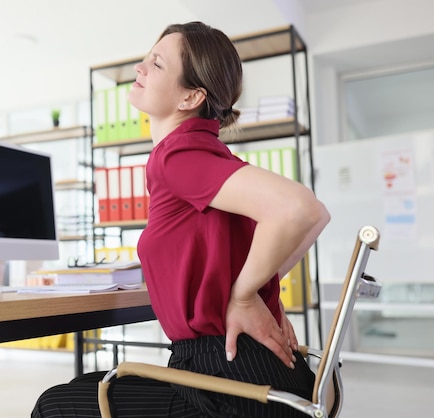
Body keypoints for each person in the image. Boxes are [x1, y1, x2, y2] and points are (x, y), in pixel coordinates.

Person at [32, 21, 330, 418]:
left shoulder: (179, 155)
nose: (139, 68)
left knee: (54, 405)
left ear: (191, 96)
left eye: (155, 64)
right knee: (81, 387)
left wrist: (243, 295)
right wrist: (253, 289)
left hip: (233, 389)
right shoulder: (205, 152)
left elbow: (303, 210)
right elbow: (315, 218)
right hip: (264, 381)